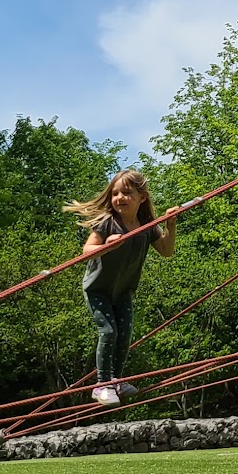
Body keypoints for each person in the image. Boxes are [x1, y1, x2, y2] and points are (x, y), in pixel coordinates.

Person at [66, 169, 175, 405]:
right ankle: (102, 384)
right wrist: (106, 246)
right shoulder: (108, 223)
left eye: (126, 193)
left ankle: (116, 379)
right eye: (115, 194)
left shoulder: (147, 225)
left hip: (123, 290)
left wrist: (170, 226)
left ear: (142, 197)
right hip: (98, 290)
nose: (119, 198)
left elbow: (166, 251)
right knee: (108, 333)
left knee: (123, 336)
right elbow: (86, 252)